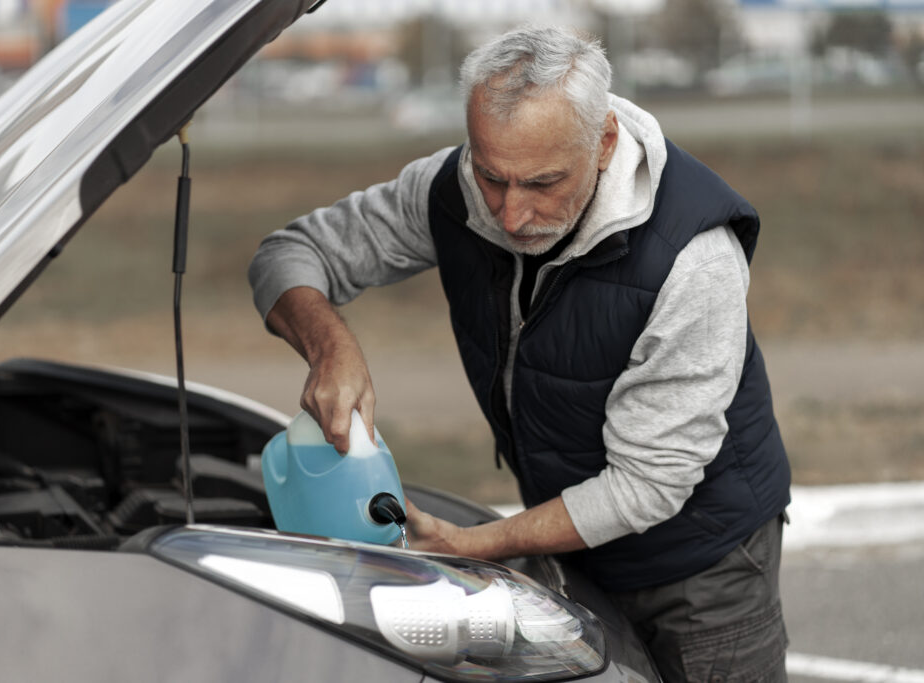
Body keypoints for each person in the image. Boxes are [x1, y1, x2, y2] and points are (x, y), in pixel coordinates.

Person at [248, 25, 791, 681]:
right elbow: (287, 255)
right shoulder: (452, 191)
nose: (508, 214)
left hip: (701, 561)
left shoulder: (693, 260)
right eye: (491, 176)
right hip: (569, 533)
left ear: (604, 143)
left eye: (541, 183)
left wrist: (477, 544)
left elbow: (648, 485)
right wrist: (329, 344)